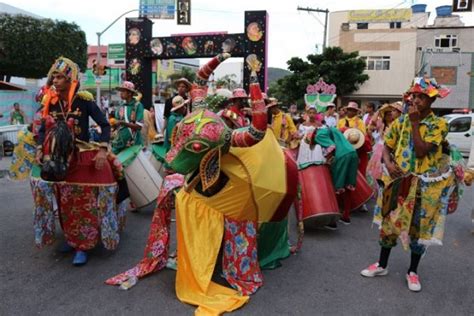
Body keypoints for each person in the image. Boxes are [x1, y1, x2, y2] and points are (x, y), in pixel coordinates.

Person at [361, 76, 457, 292]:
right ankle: (382, 265)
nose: (416, 100)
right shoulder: (400, 121)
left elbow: (422, 150)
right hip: (397, 180)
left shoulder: (438, 125)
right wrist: (387, 162)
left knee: (418, 229)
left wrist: (415, 122)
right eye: (414, 96)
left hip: (423, 185)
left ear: (432, 101)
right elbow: (387, 145)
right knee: (388, 223)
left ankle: (412, 272)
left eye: (422, 97)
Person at [35, 57, 123, 266]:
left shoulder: (84, 100)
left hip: (82, 153)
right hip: (58, 157)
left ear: (70, 79)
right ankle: (70, 238)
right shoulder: (51, 102)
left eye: (60, 77)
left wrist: (102, 151)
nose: (55, 81)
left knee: (85, 201)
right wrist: (40, 148)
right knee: (64, 200)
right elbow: (41, 129)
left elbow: (105, 125)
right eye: (54, 77)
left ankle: (84, 245)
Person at [111, 81, 144, 154]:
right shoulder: (120, 106)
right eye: (121, 91)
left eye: (123, 91)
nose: (121, 93)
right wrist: (113, 126)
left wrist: (123, 123)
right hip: (118, 143)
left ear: (129, 93)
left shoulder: (138, 105)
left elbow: (139, 126)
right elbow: (117, 124)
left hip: (133, 143)